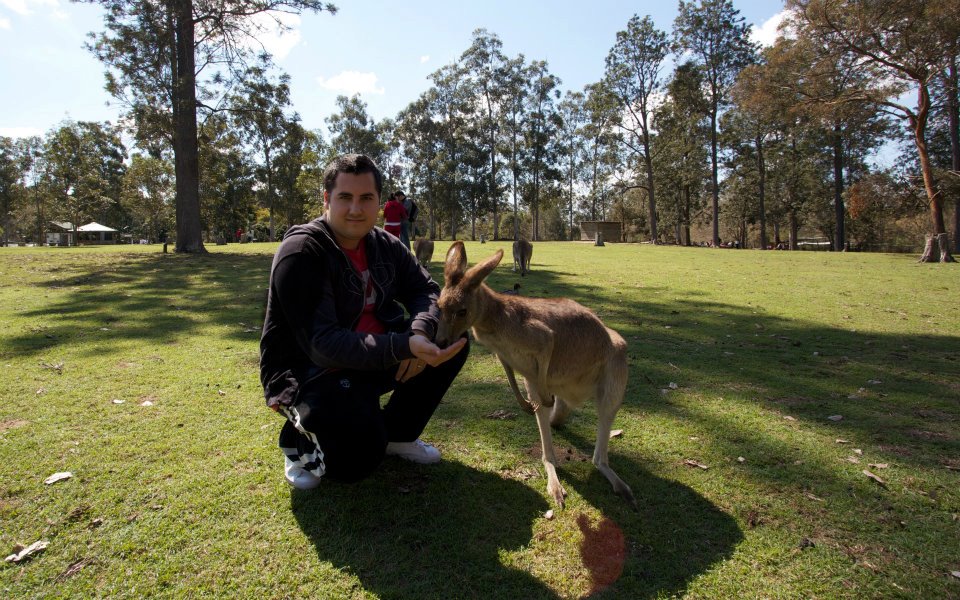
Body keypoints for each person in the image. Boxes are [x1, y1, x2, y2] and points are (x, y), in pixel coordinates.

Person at [259, 153, 469, 490]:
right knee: (354, 464)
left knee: (450, 338)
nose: (356, 209)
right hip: (312, 372)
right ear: (327, 200)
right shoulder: (302, 251)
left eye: (366, 198)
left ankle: (398, 436)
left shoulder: (384, 244)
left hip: (376, 357)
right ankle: (298, 442)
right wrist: (403, 346)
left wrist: (418, 333)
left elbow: (425, 290)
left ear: (379, 204)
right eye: (345, 197)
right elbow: (322, 344)